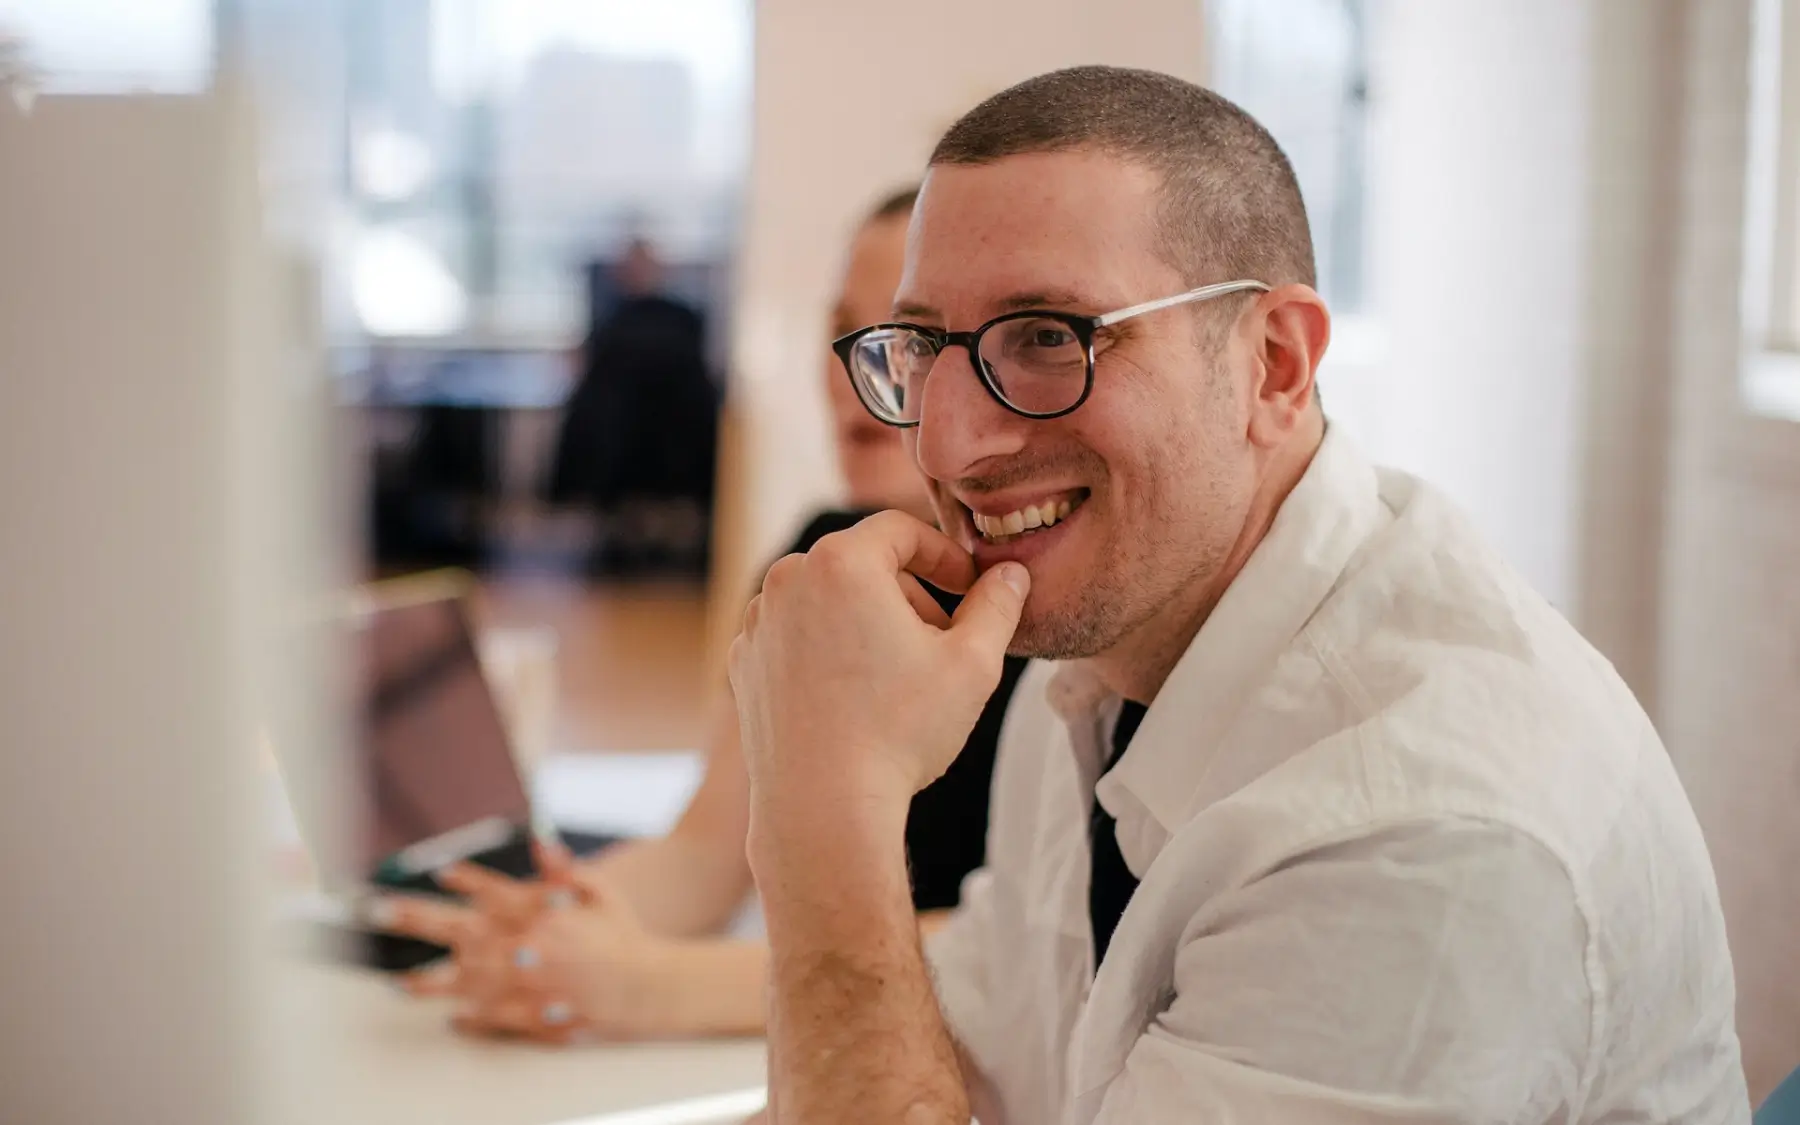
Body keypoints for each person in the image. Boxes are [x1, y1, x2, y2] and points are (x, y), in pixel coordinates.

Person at [727, 67, 1750, 1123]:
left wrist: (823, 823)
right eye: (926, 348)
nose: (945, 444)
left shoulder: (1421, 836)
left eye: (1047, 338)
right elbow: (972, 1061)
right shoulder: (1095, 651)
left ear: (1274, 364)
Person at [373, 188, 1027, 1041]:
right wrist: (544, 921)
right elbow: (705, 853)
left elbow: (1016, 958)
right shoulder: (815, 565)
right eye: (842, 330)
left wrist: (648, 985)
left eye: (902, 336)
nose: (850, 373)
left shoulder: (1053, 600)